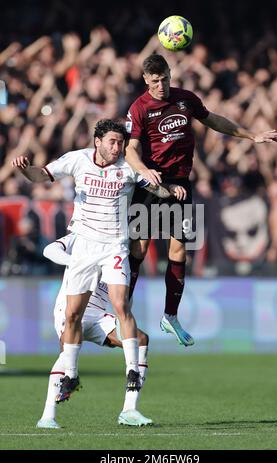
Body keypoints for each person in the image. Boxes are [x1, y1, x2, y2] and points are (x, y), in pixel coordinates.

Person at [12, 119, 185, 414]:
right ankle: (72, 374)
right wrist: (24, 169)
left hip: (114, 245)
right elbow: (41, 176)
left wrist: (172, 191)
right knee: (73, 314)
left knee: (120, 305)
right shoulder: (76, 160)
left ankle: (132, 370)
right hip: (84, 246)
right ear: (97, 141)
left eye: (120, 143)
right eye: (112, 142)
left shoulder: (129, 168)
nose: (117, 148)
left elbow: (155, 190)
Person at [125, 54, 277, 347]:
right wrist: (144, 170)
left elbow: (214, 121)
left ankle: (170, 316)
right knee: (140, 247)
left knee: (180, 250)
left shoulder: (185, 99)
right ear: (146, 80)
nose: (161, 85)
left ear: (171, 75)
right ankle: (123, 310)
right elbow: (131, 149)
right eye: (155, 81)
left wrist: (251, 136)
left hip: (180, 183)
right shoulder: (139, 108)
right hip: (151, 182)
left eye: (165, 79)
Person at [36, 233, 152, 428]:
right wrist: (78, 261)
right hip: (69, 310)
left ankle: (129, 410)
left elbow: (124, 306)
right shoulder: (81, 233)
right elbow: (49, 250)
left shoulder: (122, 256)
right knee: (67, 355)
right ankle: (48, 417)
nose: (141, 245)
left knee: (141, 340)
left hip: (97, 315)